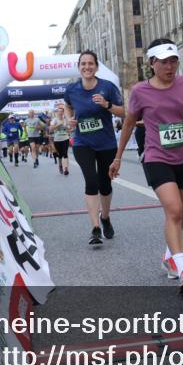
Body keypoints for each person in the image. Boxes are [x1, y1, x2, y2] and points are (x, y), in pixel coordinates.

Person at [110, 40, 183, 293]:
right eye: (164, 62)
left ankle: (170, 257)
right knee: (173, 209)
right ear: (151, 63)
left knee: (177, 215)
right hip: (157, 157)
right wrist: (117, 157)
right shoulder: (140, 91)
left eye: (173, 61)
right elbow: (128, 124)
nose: (170, 67)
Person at [63, 50, 125, 246]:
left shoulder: (107, 87)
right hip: (83, 143)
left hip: (106, 143)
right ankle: (95, 227)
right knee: (91, 181)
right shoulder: (72, 89)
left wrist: (107, 105)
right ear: (79, 67)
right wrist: (69, 120)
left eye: (91, 63)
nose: (87, 67)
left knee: (105, 184)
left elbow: (124, 112)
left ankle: (105, 217)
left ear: (96, 67)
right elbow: (67, 105)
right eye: (83, 64)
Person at [49, 103, 72, 176]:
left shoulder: (66, 120)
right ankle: (60, 165)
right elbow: (51, 129)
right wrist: (59, 124)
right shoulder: (54, 120)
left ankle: (66, 169)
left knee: (65, 154)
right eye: (59, 111)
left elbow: (69, 129)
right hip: (57, 140)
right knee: (60, 155)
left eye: (62, 111)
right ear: (57, 113)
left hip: (65, 138)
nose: (61, 113)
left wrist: (68, 128)